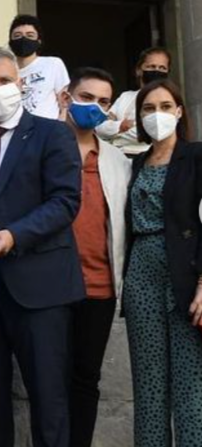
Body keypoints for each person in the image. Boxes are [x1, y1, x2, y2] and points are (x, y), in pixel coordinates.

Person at [0, 46, 82, 447]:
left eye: (4, 81)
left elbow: (65, 201)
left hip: (39, 287)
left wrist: (16, 234)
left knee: (48, 398)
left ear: (21, 83)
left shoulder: (52, 134)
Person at [122, 79, 202, 446]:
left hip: (186, 275)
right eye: (149, 108)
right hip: (142, 275)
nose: (158, 114)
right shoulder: (135, 162)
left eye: (165, 106)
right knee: (149, 383)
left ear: (180, 111)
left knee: (191, 383)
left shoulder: (197, 156)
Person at [59, 68, 130, 447]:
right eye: (87, 98)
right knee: (50, 379)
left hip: (99, 289)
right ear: (67, 98)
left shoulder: (119, 162)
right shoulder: (45, 150)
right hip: (52, 287)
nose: (95, 107)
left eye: (104, 102)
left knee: (86, 380)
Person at [100, 46, 171, 156]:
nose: (157, 70)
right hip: (118, 158)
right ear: (139, 70)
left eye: (162, 68)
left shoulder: (169, 100)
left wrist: (114, 138)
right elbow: (100, 127)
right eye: (152, 66)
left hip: (148, 157)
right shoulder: (125, 96)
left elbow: (153, 131)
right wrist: (121, 126)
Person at [9, 14, 69, 120]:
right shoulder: (5, 71)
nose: (23, 39)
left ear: (39, 41)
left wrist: (61, 126)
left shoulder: (53, 64)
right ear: (10, 42)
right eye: (17, 35)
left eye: (30, 35)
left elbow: (64, 103)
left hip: (48, 131)